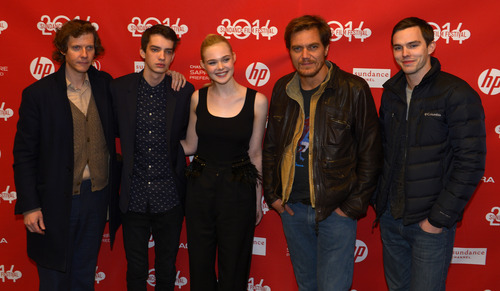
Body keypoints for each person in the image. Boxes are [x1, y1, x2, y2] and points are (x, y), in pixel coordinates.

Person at [262, 15, 382, 291]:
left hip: (335, 212)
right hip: (292, 209)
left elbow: (371, 153)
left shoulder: (353, 89)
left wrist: (350, 208)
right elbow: (271, 148)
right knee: (307, 286)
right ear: (289, 51)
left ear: (326, 48)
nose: (305, 56)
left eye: (313, 47)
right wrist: (273, 196)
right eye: (297, 48)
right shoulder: (282, 88)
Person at [375, 17, 486, 291]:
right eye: (398, 47)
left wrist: (437, 220)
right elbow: (383, 150)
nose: (405, 54)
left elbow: (470, 162)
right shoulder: (391, 93)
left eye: (413, 45)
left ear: (431, 46)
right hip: (391, 218)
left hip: (429, 224)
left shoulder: (456, 93)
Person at [13, 19, 120, 291]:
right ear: (63, 50)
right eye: (76, 47)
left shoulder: (106, 85)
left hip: (96, 197)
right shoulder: (38, 94)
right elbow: (24, 154)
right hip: (54, 201)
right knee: (53, 279)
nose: (84, 54)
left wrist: (170, 76)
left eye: (89, 47)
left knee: (84, 276)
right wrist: (30, 206)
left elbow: (137, 93)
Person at [180, 34, 267, 291]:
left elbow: (255, 153)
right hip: (200, 186)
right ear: (203, 65)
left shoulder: (257, 101)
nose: (220, 67)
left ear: (234, 58)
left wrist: (257, 198)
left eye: (225, 59)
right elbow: (191, 145)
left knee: (235, 264)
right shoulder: (198, 98)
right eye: (212, 62)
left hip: (238, 187)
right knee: (200, 263)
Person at [110, 24, 194, 290]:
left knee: (166, 269)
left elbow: (190, 139)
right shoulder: (119, 88)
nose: (161, 57)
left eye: (168, 52)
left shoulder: (183, 91)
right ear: (142, 52)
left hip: (169, 196)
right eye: (155, 50)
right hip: (133, 196)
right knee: (135, 270)